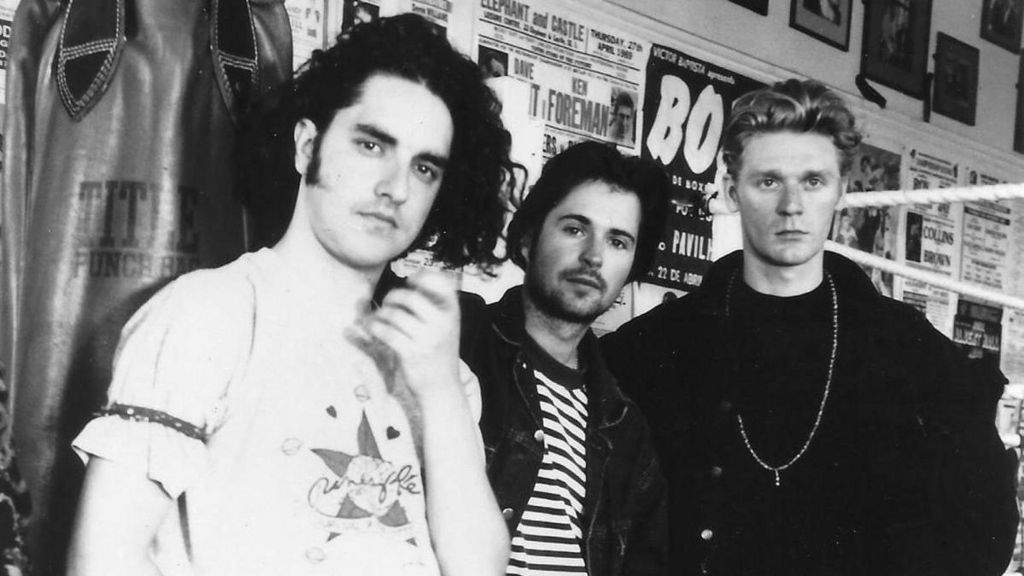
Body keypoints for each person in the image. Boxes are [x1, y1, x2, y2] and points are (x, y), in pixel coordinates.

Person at [67, 14, 516, 576]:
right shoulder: (212, 312)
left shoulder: (440, 368)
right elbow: (104, 559)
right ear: (307, 147)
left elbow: (481, 571)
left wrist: (441, 390)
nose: (395, 188)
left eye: (424, 168)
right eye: (373, 145)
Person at [602, 79, 1018, 575]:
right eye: (769, 181)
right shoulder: (656, 347)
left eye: (814, 181)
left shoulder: (907, 349)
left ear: (841, 192)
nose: (792, 205)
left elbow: (984, 520)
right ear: (733, 192)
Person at [460, 141, 670, 576]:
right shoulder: (460, 339)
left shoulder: (626, 428)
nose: (594, 256)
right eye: (575, 228)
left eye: (618, 241)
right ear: (526, 239)